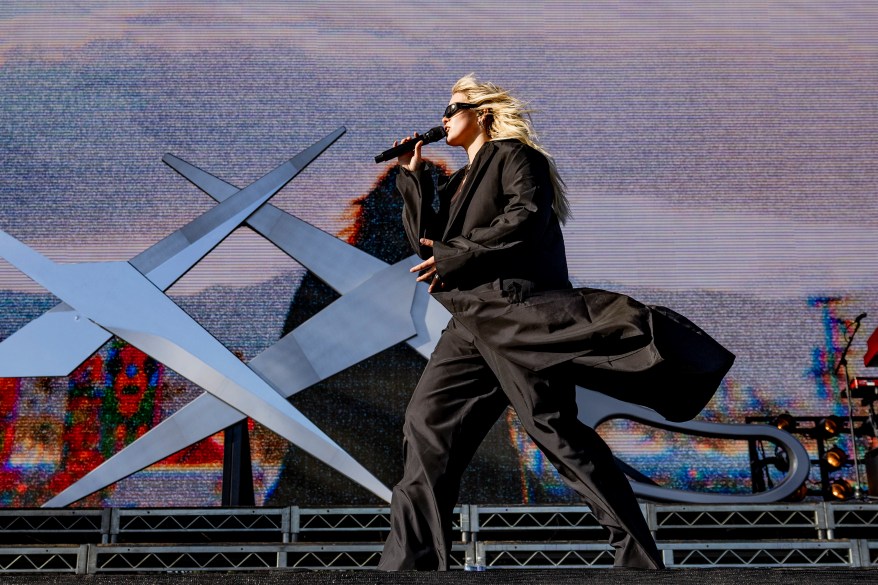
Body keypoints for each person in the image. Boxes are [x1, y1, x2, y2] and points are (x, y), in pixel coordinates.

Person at [377, 74, 674, 571]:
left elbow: (524, 219)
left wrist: (458, 255)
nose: (444, 116)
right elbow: (428, 247)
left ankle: (638, 557)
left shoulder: (516, 157)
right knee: (425, 427)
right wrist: (411, 178)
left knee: (553, 429)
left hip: (515, 315)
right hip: (471, 322)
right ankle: (412, 563)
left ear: (483, 113)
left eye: (454, 106)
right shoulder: (455, 183)